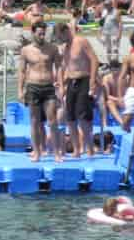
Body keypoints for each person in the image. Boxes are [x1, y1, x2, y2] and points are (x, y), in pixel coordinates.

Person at [19, 21, 64, 162]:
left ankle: (57, 152)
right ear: (33, 33)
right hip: (32, 87)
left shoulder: (52, 49)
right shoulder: (26, 50)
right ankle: (37, 152)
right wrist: (20, 90)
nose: (42, 36)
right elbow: (21, 71)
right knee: (34, 121)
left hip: (48, 87)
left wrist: (61, 87)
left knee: (53, 121)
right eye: (39, 33)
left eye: (44, 33)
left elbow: (59, 68)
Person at [62, 20, 99, 157]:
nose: (61, 40)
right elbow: (67, 68)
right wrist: (61, 84)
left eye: (62, 36)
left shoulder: (81, 41)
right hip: (71, 82)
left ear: (67, 31)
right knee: (70, 118)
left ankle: (89, 149)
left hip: (84, 80)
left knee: (84, 118)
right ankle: (77, 149)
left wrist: (93, 81)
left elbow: (94, 60)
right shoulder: (65, 48)